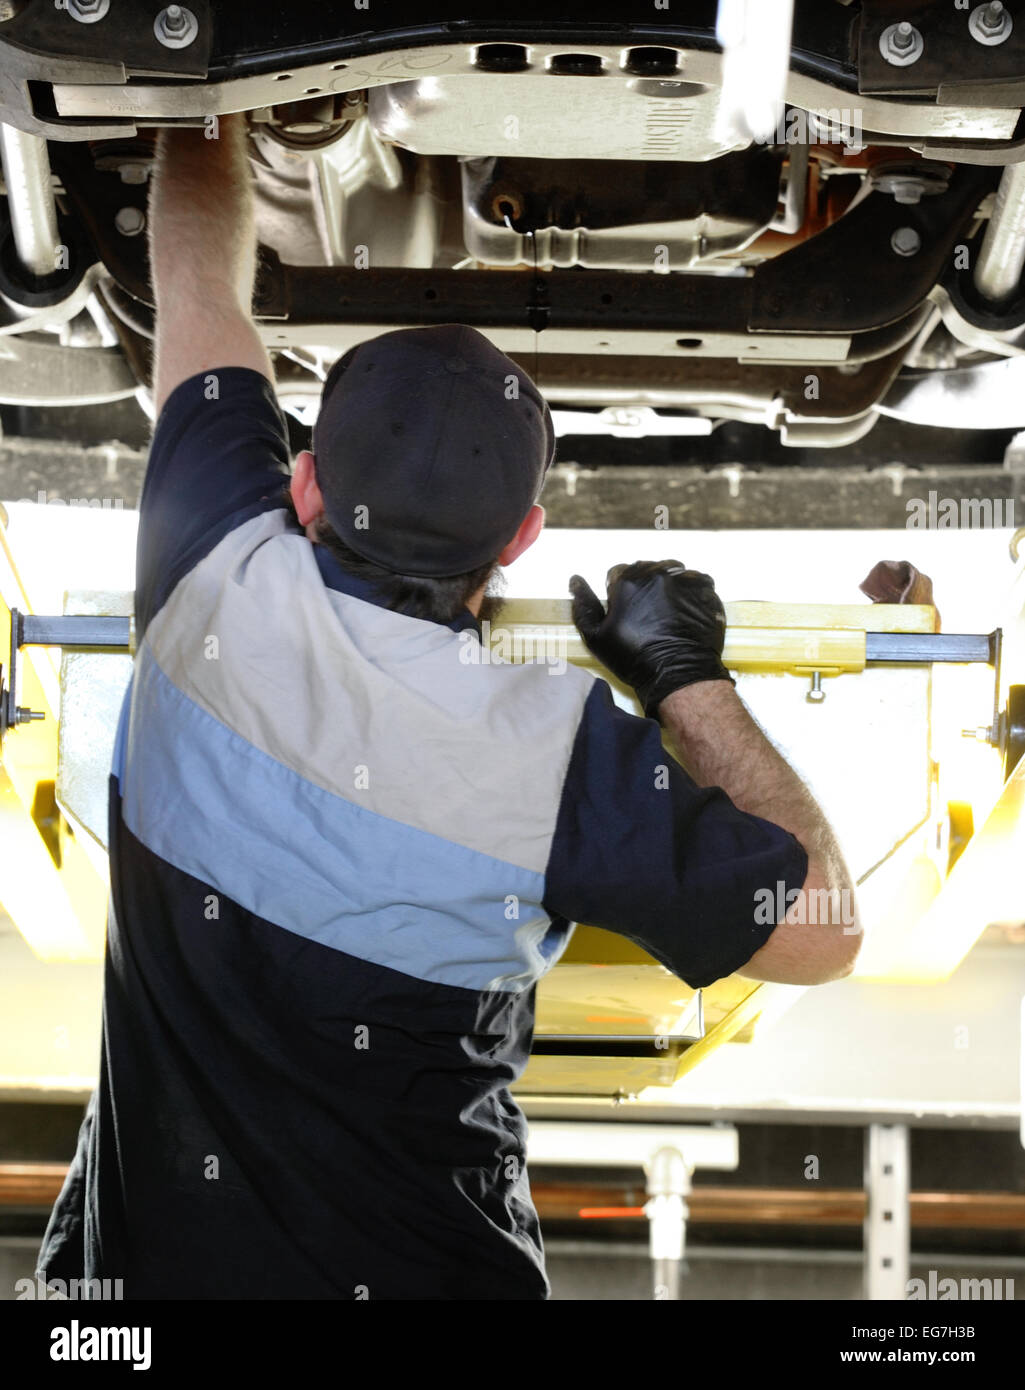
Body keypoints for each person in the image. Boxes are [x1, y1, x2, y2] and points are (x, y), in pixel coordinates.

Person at [37, 114, 859, 1301]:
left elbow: (196, 279)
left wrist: (204, 101)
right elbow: (822, 928)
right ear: (521, 539)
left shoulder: (210, 573)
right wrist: (684, 677)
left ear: (303, 479)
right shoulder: (551, 757)